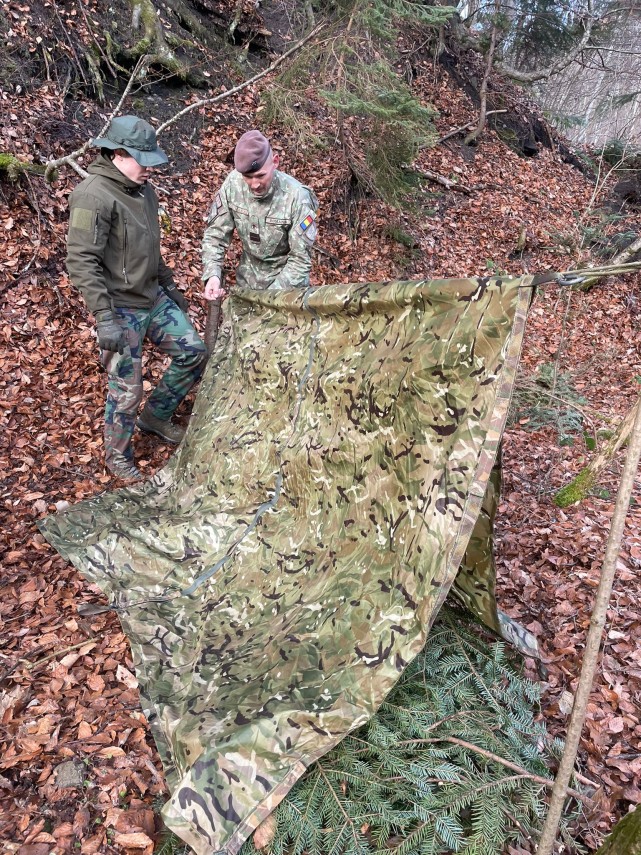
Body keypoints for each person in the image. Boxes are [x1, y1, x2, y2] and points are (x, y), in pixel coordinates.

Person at [66, 115, 208, 481]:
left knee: (193, 352)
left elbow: (150, 247)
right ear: (117, 154)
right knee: (127, 389)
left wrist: (170, 287)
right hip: (119, 306)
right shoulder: (92, 196)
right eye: (142, 160)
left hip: (151, 296)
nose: (149, 168)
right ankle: (117, 456)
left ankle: (155, 416)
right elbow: (81, 261)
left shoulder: (144, 191)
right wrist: (104, 318)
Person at [202, 130, 318, 301]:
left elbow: (300, 261)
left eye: (261, 175)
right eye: (248, 177)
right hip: (246, 285)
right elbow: (215, 235)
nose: (254, 184)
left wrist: (266, 300)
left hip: (287, 292)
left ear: (275, 162)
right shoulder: (233, 184)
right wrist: (213, 274)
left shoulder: (297, 197)